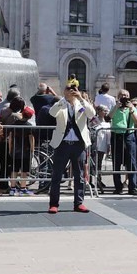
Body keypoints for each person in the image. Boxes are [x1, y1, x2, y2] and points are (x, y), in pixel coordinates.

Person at [46, 79, 91, 214]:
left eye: (74, 88)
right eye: (68, 88)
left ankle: (79, 203)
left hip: (78, 144)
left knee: (80, 175)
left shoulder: (81, 104)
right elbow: (52, 113)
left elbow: (92, 114)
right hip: (62, 144)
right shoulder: (61, 104)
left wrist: (81, 99)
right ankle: (54, 204)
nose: (71, 91)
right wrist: (63, 99)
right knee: (57, 175)